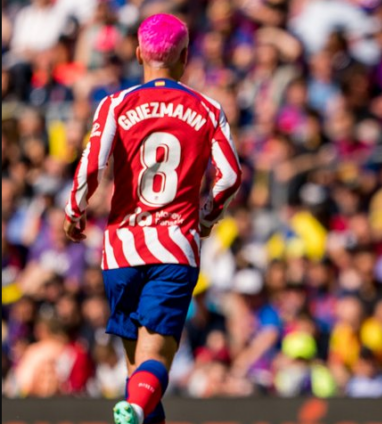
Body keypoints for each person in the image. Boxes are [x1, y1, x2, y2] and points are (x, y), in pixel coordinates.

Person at [63, 14, 242, 424]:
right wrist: (207, 216)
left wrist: (75, 212)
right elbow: (229, 176)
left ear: (139, 52)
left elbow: (92, 165)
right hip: (174, 247)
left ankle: (135, 412)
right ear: (184, 56)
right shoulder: (208, 108)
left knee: (136, 374)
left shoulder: (114, 104)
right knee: (155, 361)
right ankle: (132, 412)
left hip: (121, 249)